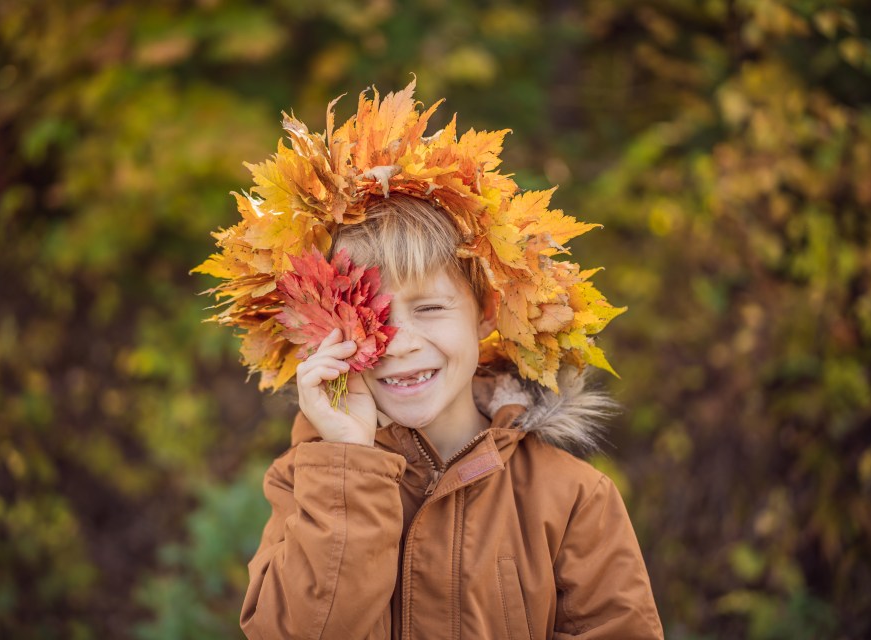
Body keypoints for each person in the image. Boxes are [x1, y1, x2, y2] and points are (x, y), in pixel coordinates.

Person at [196, 81, 663, 639]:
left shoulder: (570, 498)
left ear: (487, 313)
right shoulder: (311, 482)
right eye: (370, 314)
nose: (397, 342)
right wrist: (349, 463)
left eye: (430, 308)